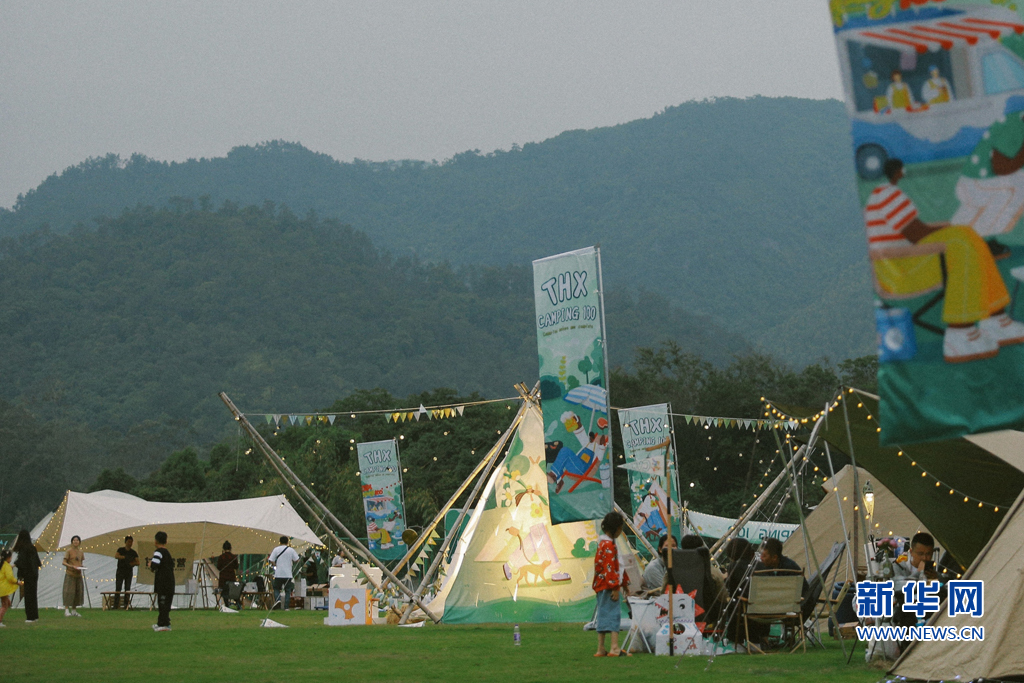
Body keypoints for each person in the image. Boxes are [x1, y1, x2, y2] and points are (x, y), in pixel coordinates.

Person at [866, 158, 1024, 362]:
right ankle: (960, 332)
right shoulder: (887, 195)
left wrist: (953, 227)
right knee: (960, 242)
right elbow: (916, 234)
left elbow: (915, 230)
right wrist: (951, 229)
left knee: (966, 235)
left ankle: (996, 319)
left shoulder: (885, 193)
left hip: (906, 263)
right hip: (899, 271)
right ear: (897, 172)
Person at [952, 110, 1024, 241]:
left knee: (962, 223)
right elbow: (1000, 168)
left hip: (983, 184)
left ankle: (965, 237)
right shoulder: (1014, 125)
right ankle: (984, 241)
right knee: (1017, 190)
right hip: (975, 184)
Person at [593, 511, 630, 657]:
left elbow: (615, 566)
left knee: (602, 615)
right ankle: (614, 647)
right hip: (609, 586)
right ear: (616, 528)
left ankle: (601, 648)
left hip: (601, 585)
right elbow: (612, 567)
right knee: (614, 615)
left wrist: (624, 583)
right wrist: (616, 587)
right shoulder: (609, 546)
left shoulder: (602, 544)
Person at [148, 530, 175, 631]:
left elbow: (154, 565)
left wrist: (150, 565)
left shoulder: (159, 552)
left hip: (163, 583)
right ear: (166, 541)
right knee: (166, 604)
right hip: (170, 582)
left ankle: (163, 625)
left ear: (155, 541)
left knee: (162, 603)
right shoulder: (167, 553)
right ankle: (163, 623)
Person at [13, 529, 41, 623]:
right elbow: (37, 562)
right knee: (33, 595)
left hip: (28, 574)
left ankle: (30, 617)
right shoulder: (32, 547)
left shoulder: (23, 548)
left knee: (28, 596)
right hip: (34, 574)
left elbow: (22, 561)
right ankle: (35, 615)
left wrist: (15, 565)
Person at [269, 536, 299, 610]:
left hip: (278, 573)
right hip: (288, 574)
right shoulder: (291, 550)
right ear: (287, 542)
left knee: (276, 588)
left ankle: (278, 600)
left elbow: (271, 559)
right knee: (288, 591)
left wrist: (275, 565)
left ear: (280, 542)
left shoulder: (276, 549)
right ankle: (286, 607)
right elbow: (297, 559)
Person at [112, 535, 139, 609]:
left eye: (131, 542)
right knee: (118, 588)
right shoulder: (121, 550)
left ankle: (126, 605)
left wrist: (132, 563)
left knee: (127, 588)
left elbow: (138, 562)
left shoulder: (133, 552)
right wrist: (124, 557)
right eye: (128, 542)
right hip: (120, 571)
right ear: (125, 542)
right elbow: (116, 556)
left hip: (129, 572)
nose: (130, 543)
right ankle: (116, 605)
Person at [0, 549, 24, 628]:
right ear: (8, 558)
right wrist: (17, 582)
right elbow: (10, 577)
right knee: (5, 606)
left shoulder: (2, 564)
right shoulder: (6, 566)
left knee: (7, 603)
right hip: (3, 588)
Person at [62, 534, 85, 617]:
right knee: (69, 592)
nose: (76, 542)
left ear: (79, 542)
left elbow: (80, 562)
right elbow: (64, 562)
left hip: (78, 574)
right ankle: (66, 610)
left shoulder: (81, 552)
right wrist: (71, 566)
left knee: (77, 592)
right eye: (74, 540)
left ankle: (74, 610)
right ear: (72, 542)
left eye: (77, 540)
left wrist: (81, 567)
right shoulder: (69, 551)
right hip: (70, 574)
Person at [215, 541, 240, 609]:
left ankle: (226, 604)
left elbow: (218, 567)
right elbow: (236, 567)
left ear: (223, 548)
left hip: (223, 578)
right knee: (233, 591)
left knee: (224, 592)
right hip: (231, 577)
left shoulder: (221, 557)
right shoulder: (234, 557)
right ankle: (238, 603)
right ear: (230, 548)